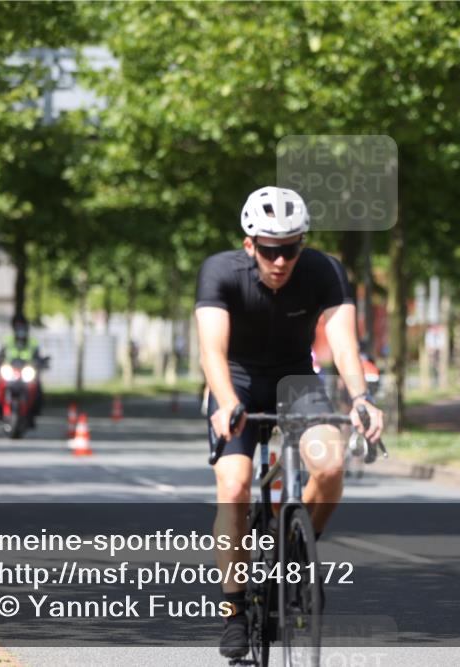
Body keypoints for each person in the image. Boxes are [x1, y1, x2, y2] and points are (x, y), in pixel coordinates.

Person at [195, 186, 384, 658]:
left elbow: (343, 342)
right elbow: (211, 350)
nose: (280, 261)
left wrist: (360, 398)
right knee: (234, 485)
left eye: (291, 249)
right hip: (234, 379)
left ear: (303, 243)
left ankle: (295, 555)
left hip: (296, 378)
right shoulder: (220, 271)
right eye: (270, 250)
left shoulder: (323, 270)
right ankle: (234, 610)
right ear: (249, 245)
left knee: (332, 465)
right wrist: (224, 402)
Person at [0, 313, 44, 423]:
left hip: (26, 371)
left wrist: (40, 363)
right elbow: (0, 355)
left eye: (22, 326)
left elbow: (38, 357)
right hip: (11, 371)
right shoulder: (7, 340)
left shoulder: (32, 342)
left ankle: (33, 411)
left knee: (36, 387)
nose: (20, 329)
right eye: (17, 326)